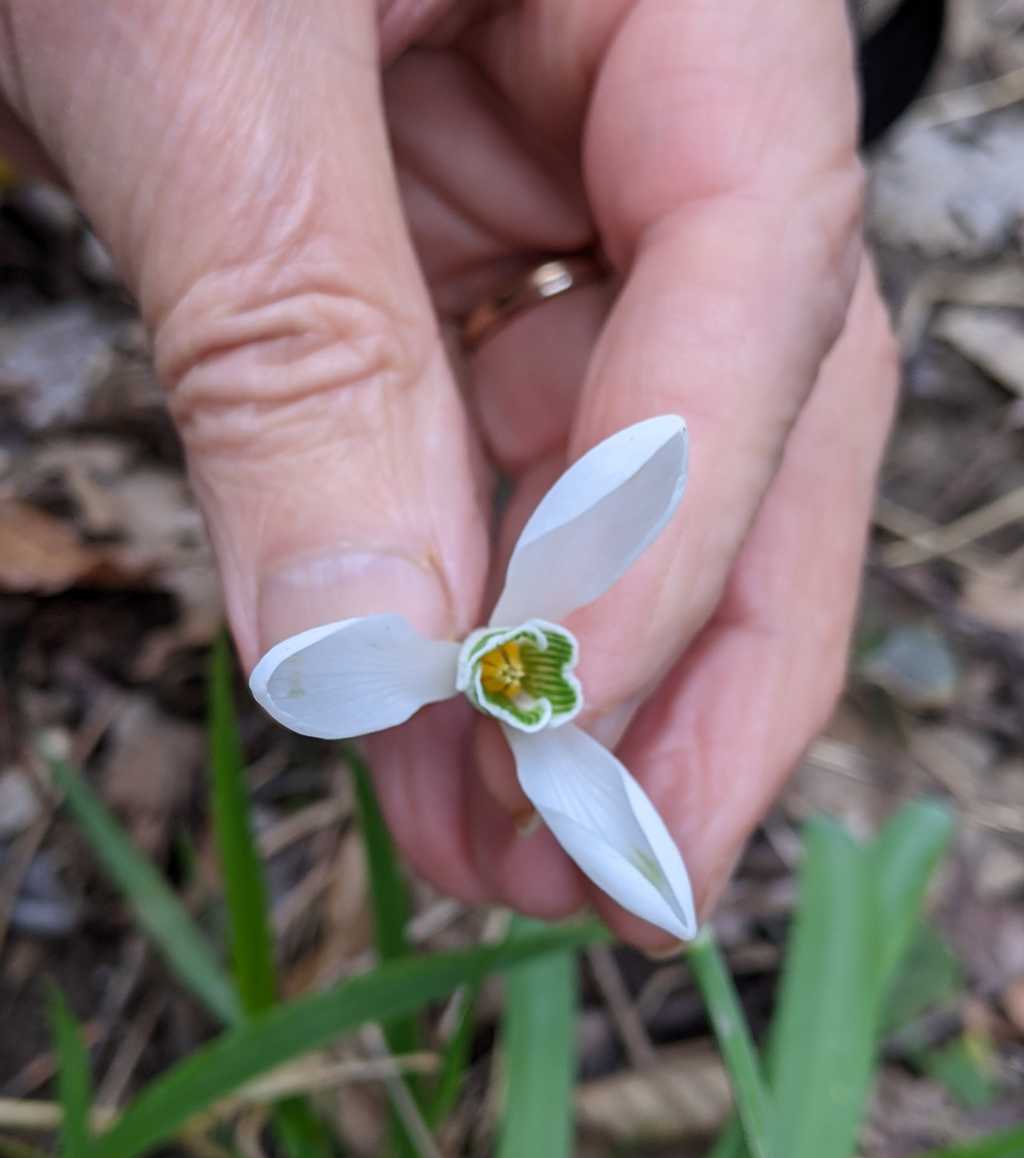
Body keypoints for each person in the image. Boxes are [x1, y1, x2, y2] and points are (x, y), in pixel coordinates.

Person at [0, 1, 898, 951]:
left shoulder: (530, 699)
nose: (514, 669)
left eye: (515, 675)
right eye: (518, 668)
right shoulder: (494, 659)